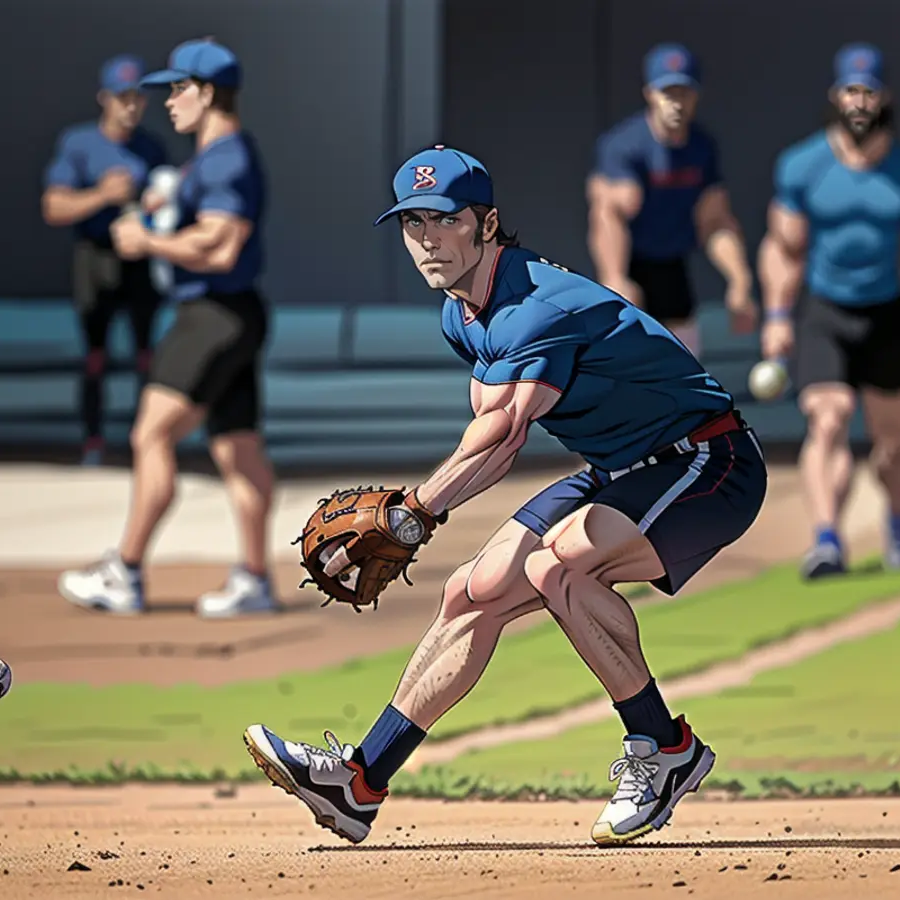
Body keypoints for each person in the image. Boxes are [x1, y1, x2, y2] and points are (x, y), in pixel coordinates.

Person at [242, 146, 768, 845]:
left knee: (559, 567)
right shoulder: (461, 314)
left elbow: (502, 430)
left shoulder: (533, 306)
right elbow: (497, 449)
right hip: (621, 470)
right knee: (474, 590)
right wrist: (423, 512)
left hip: (710, 460)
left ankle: (664, 748)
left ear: (487, 224)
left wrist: (416, 511)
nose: (426, 239)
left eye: (444, 220)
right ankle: (358, 784)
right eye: (411, 224)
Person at [56, 39, 279, 619]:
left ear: (207, 93)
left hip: (211, 315)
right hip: (235, 314)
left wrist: (149, 240)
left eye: (178, 89)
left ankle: (124, 572)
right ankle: (254, 579)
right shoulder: (212, 158)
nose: (169, 102)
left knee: (150, 437)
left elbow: (222, 245)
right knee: (239, 451)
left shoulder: (226, 156)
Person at [758, 43, 900, 580]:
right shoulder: (802, 165)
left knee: (893, 444)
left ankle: (899, 519)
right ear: (837, 96)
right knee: (828, 418)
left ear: (884, 97)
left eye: (869, 91)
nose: (860, 101)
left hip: (888, 315)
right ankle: (827, 540)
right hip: (826, 311)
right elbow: (784, 248)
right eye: (851, 91)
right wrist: (776, 317)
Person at [588, 43, 756, 357]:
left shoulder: (701, 148)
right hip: (630, 261)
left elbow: (715, 220)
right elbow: (607, 214)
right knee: (628, 364)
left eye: (684, 93)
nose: (676, 104)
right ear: (650, 93)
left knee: (684, 365)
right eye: (668, 93)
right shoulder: (624, 146)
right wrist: (615, 277)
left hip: (672, 265)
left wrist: (739, 281)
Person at [41, 55, 168, 467]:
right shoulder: (78, 143)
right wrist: (101, 195)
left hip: (139, 258)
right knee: (95, 355)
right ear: (104, 99)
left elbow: (163, 205)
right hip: (95, 258)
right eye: (121, 98)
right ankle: (93, 442)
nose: (130, 106)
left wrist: (156, 207)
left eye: (137, 98)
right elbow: (53, 206)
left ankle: (145, 443)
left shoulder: (151, 148)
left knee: (146, 356)